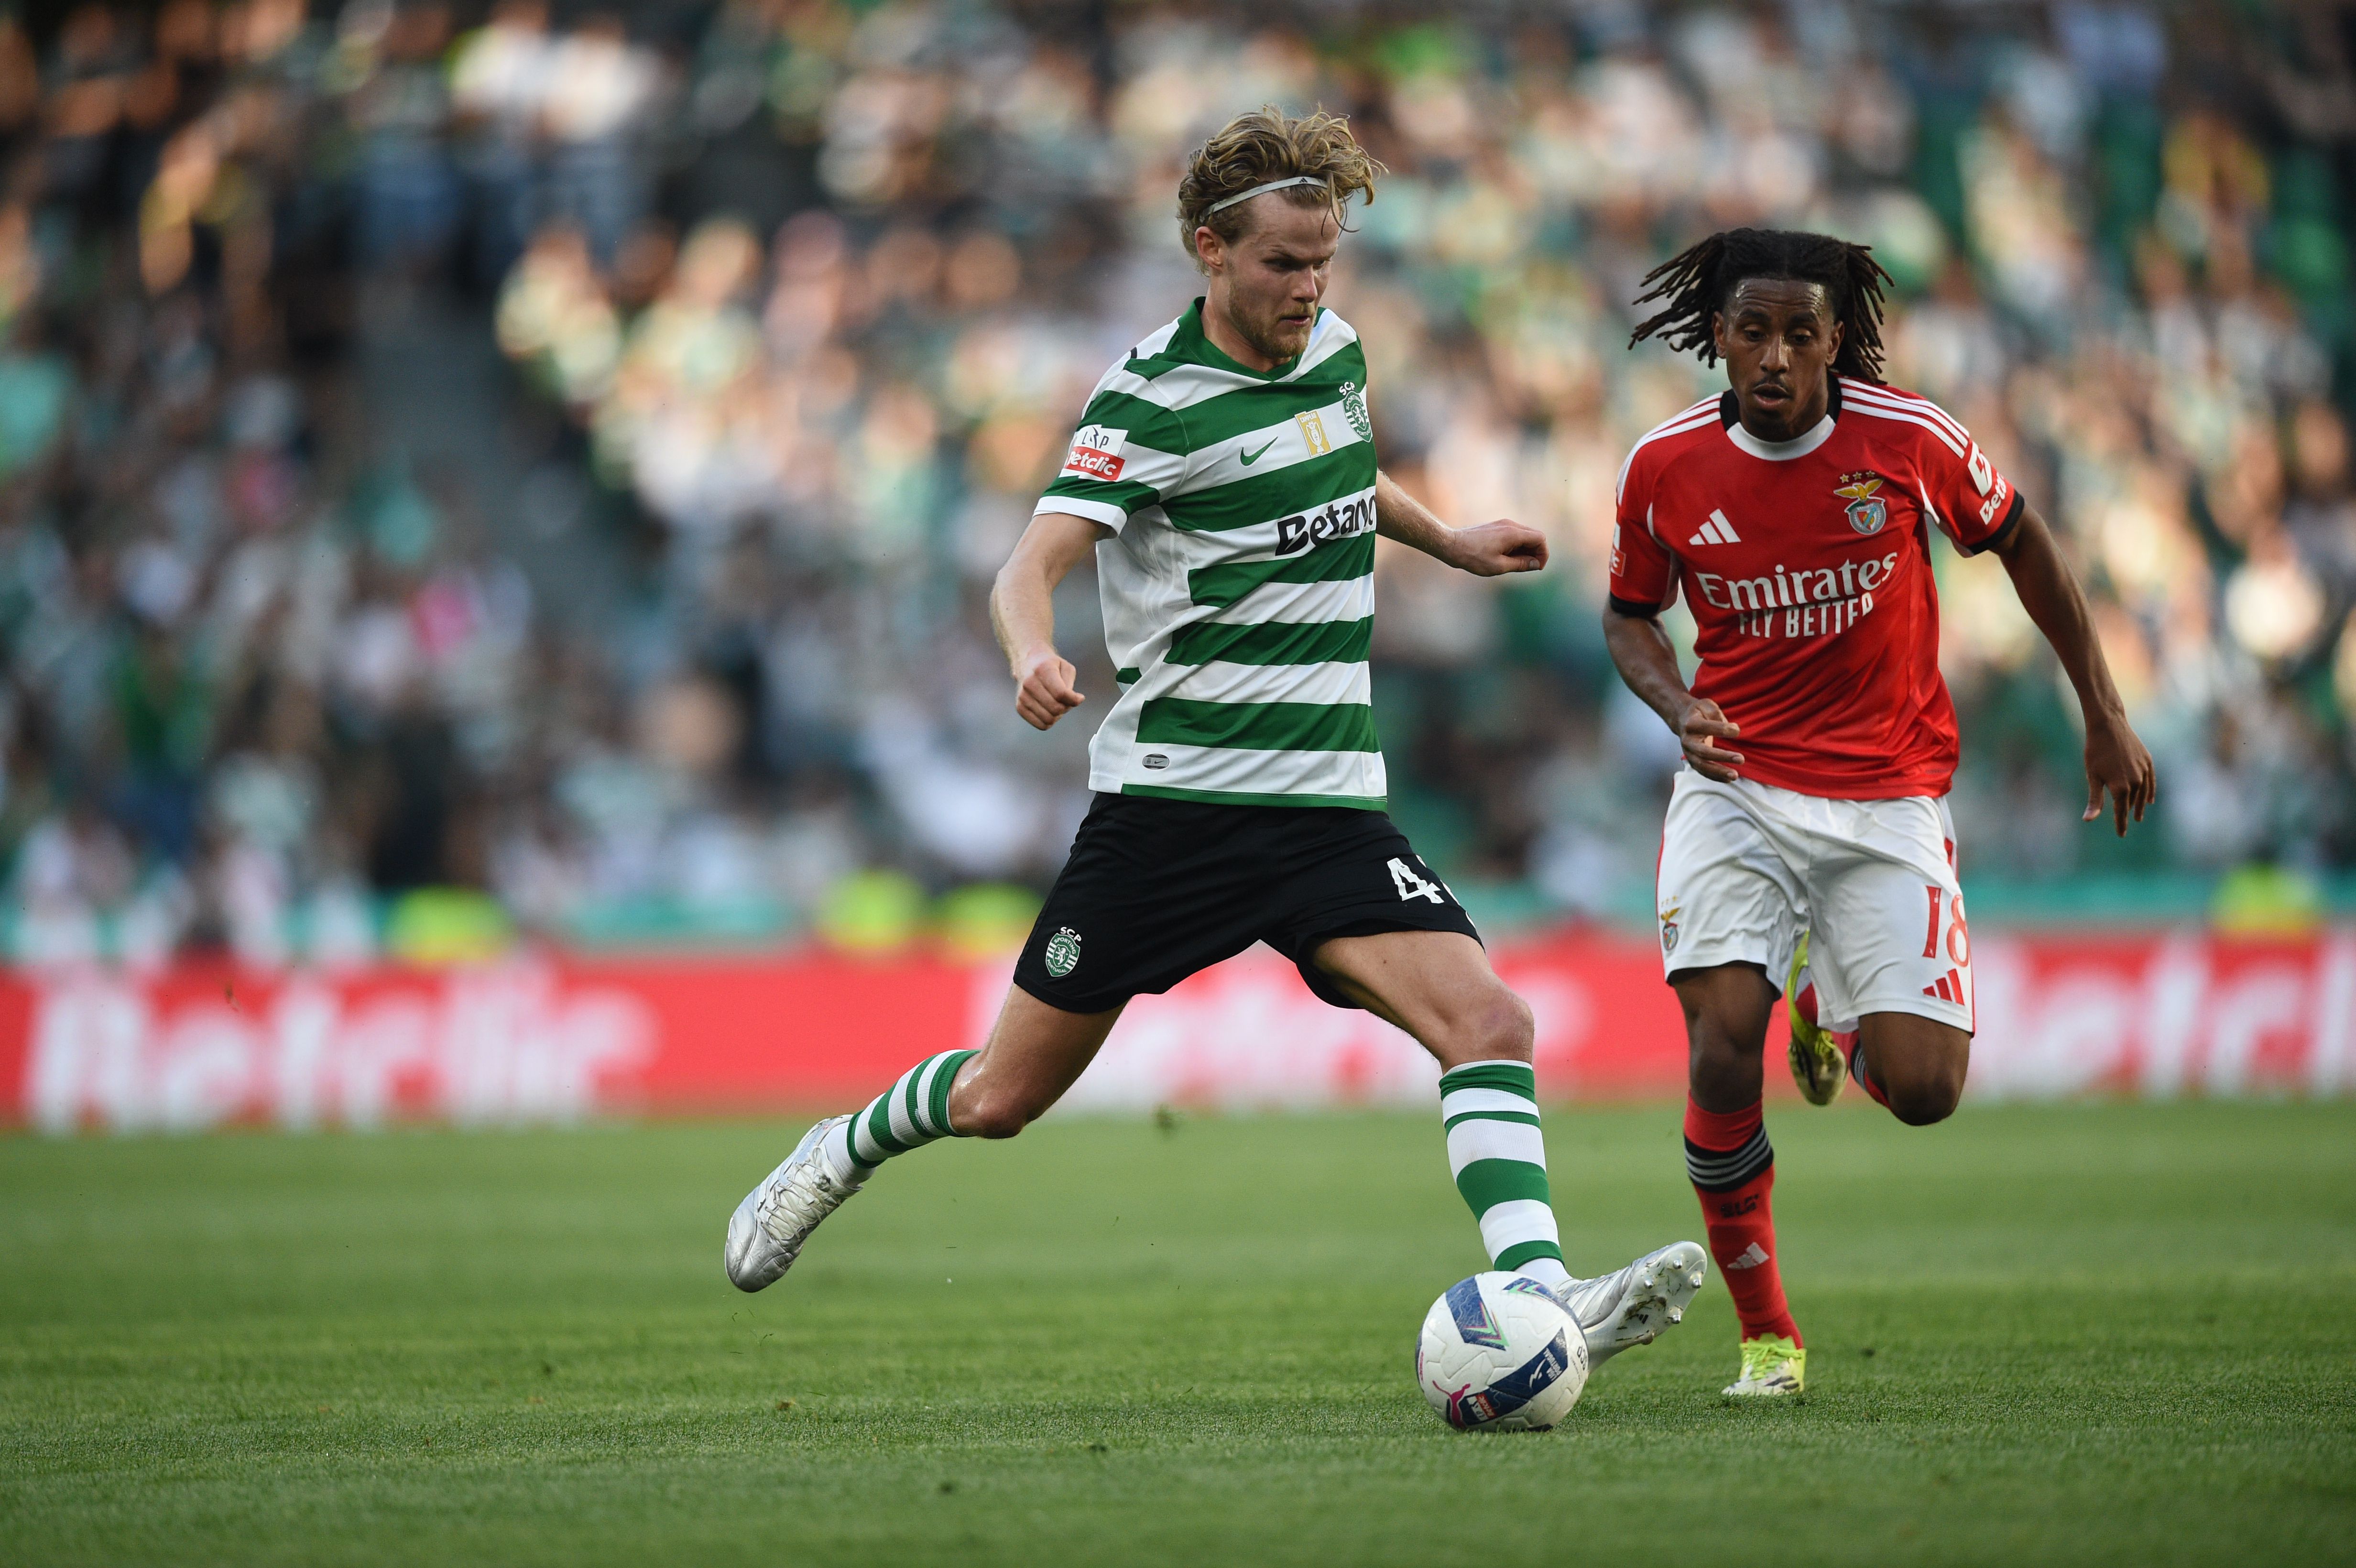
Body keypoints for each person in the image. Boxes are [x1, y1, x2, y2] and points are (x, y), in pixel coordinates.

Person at [726, 106, 1708, 1376]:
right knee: (998, 1099)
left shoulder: (1335, 351)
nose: (1309, 288)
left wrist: (1450, 541)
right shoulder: (1150, 401)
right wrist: (1031, 653)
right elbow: (1030, 563)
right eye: (1282, 264)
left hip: (1328, 803)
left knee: (1491, 1023)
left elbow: (1340, 468)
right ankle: (840, 1148)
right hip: (1175, 809)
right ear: (1210, 248)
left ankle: (1541, 1294)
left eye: (1324, 263)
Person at [1604, 228, 2159, 1397]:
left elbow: (2025, 544)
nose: (1773, 355)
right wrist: (1677, 704)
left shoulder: (1908, 439)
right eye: (1751, 331)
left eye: (1799, 333)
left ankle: (1831, 1013)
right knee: (1720, 1044)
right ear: (1718, 338)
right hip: (1736, 790)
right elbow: (1628, 614)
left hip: (1889, 791)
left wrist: (2102, 712)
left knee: (1925, 1092)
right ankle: (1768, 1337)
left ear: (1835, 340)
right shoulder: (1662, 465)